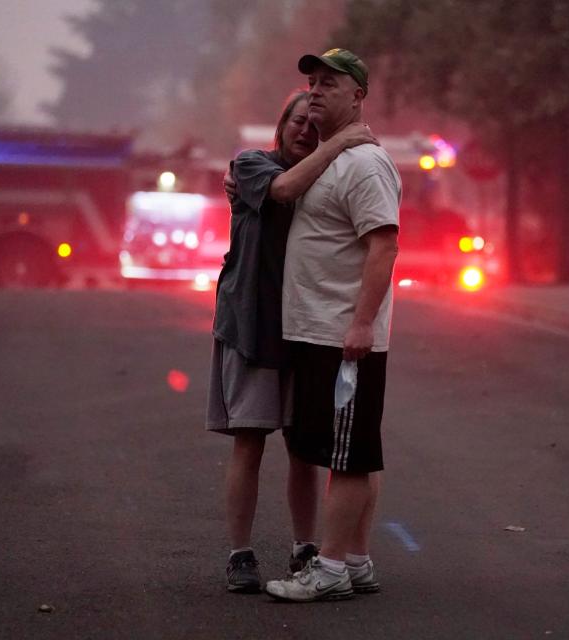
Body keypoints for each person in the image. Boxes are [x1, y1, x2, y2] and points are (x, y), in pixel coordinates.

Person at [206, 90, 377, 593]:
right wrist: (341, 140)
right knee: (250, 441)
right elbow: (283, 189)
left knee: (303, 449)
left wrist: (346, 144)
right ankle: (240, 554)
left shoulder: (326, 178)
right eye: (297, 121)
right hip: (251, 327)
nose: (305, 129)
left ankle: (305, 546)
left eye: (313, 123)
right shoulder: (253, 165)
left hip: (307, 330)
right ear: (281, 125)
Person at [263, 48, 401, 603]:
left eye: (329, 83)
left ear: (358, 96)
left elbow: (384, 246)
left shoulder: (366, 164)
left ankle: (333, 568)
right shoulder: (330, 158)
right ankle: (358, 560)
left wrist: (363, 324)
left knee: (348, 454)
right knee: (346, 449)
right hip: (313, 330)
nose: (316, 91)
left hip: (343, 335)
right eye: (312, 83)